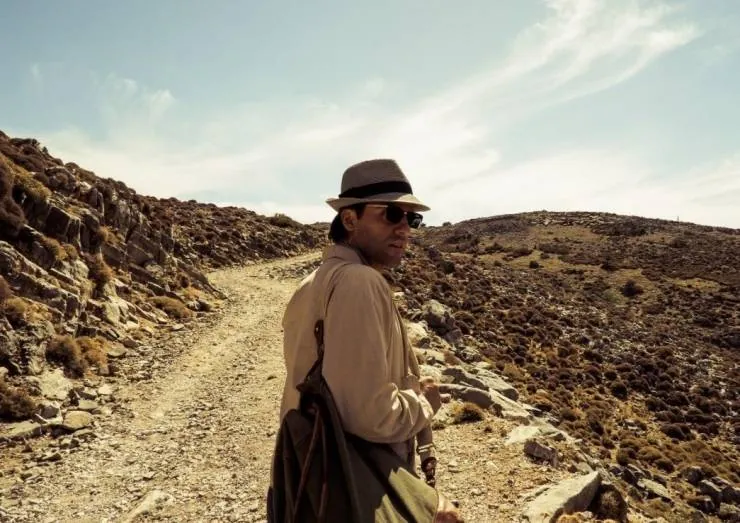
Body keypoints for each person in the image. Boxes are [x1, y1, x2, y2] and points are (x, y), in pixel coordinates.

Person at [279, 158, 462, 522]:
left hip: (311, 475)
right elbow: (370, 416)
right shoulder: (360, 282)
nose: (404, 229)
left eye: (411, 219)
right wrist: (424, 404)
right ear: (350, 219)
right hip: (355, 482)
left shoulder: (312, 283)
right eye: (391, 214)